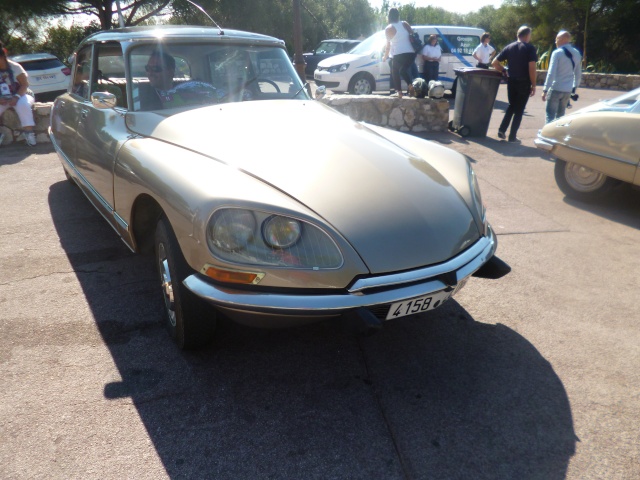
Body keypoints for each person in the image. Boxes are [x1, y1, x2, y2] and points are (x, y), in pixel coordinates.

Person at [491, 26, 538, 143]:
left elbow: (494, 63)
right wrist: (534, 84)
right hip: (524, 82)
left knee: (511, 106)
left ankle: (502, 130)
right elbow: (532, 67)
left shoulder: (509, 47)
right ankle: (512, 136)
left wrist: (503, 70)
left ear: (518, 35)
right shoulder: (530, 48)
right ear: (527, 35)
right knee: (519, 110)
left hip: (511, 81)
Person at [0, 40, 36, 146]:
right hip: (3, 98)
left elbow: (24, 85)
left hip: (22, 94)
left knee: (22, 105)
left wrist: (16, 97)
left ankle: (29, 133)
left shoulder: (15, 67)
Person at [542, 30, 582, 124]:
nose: (555, 41)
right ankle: (558, 137)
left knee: (550, 116)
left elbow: (551, 73)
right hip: (567, 90)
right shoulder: (576, 53)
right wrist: (574, 88)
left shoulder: (557, 53)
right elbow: (578, 73)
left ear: (561, 39)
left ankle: (548, 136)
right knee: (560, 117)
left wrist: (545, 90)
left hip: (556, 88)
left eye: (556, 39)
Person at [382, 8, 416, 98]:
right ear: (398, 16)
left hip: (399, 53)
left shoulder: (389, 28)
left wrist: (385, 57)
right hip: (411, 53)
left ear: (389, 17)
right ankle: (410, 85)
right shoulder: (405, 23)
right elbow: (412, 33)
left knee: (395, 70)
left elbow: (388, 46)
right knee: (403, 70)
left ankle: (399, 92)